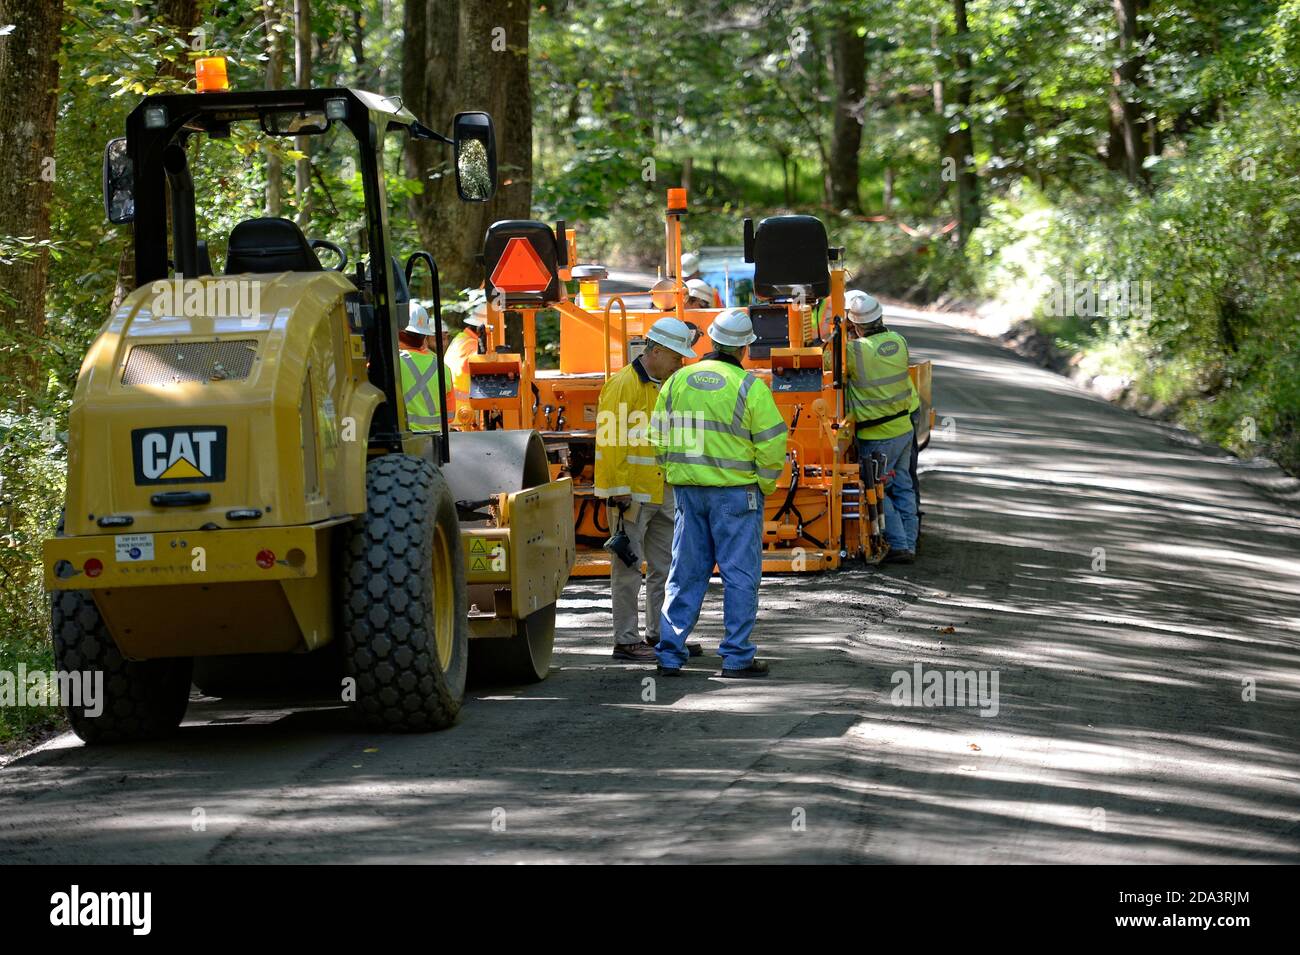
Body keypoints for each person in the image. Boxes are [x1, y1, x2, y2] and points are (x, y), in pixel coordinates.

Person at [650, 308, 788, 678]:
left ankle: (670, 654)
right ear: (744, 348)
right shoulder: (749, 387)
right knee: (739, 575)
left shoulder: (677, 382)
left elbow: (656, 435)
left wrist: (674, 471)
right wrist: (765, 483)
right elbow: (773, 443)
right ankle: (736, 657)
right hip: (736, 496)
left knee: (684, 573)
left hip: (688, 495)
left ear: (711, 339)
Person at [595, 318, 699, 662]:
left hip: (663, 489)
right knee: (628, 570)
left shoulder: (670, 385)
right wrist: (619, 490)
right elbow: (610, 444)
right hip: (634, 497)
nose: (681, 363)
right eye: (676, 356)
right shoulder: (622, 385)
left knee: (665, 569)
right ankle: (626, 641)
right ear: (655, 352)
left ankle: (659, 635)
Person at [844, 290, 919, 563]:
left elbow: (830, 363)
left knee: (876, 488)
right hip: (903, 427)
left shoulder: (855, 352)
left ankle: (898, 544)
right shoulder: (899, 341)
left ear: (855, 324)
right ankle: (910, 543)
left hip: (876, 435)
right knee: (903, 487)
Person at [398, 303, 445, 434]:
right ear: (425, 336)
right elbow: (450, 413)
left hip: (404, 438)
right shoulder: (442, 366)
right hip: (437, 439)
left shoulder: (392, 364)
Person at [444, 290, 487, 410]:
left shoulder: (461, 339)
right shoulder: (472, 345)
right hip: (464, 413)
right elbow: (484, 367)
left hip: (455, 411)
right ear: (484, 330)